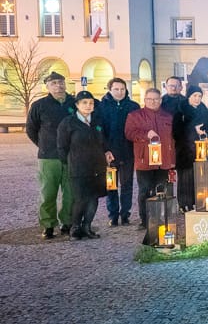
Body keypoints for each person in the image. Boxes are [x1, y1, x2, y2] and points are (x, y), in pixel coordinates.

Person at [25, 71, 76, 239]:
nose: (58, 86)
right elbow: (31, 130)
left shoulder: (74, 103)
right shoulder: (39, 105)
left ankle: (67, 223)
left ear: (65, 84)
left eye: (61, 82)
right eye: (54, 83)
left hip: (71, 156)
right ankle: (48, 225)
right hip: (48, 158)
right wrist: (44, 145)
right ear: (47, 86)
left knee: (70, 193)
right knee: (48, 193)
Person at [57, 91, 114, 240]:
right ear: (77, 105)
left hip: (98, 167)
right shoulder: (68, 123)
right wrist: (70, 162)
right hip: (79, 168)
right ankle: (75, 228)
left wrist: (107, 151)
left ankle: (87, 226)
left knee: (93, 198)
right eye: (84, 103)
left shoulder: (97, 121)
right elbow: (62, 147)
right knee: (81, 198)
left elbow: (103, 141)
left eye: (91, 103)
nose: (88, 106)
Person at [125, 88, 176, 229]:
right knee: (145, 190)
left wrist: (172, 160)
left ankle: (159, 217)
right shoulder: (135, 116)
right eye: (150, 99)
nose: (153, 102)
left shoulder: (168, 117)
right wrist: (145, 134)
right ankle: (145, 219)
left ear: (160, 100)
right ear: (145, 100)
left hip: (163, 161)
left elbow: (172, 140)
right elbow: (129, 133)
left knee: (161, 190)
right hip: (145, 160)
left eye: (156, 99)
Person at [99, 77, 139, 226]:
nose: (120, 92)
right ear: (110, 90)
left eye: (122, 89)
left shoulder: (133, 106)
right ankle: (113, 215)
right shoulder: (101, 107)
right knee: (111, 185)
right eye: (116, 89)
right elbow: (100, 130)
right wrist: (105, 149)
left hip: (128, 152)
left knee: (127, 185)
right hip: (110, 154)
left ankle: (125, 214)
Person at [172, 84, 208, 212]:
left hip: (200, 150)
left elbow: (207, 129)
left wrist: (204, 135)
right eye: (195, 95)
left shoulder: (204, 111)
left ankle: (195, 202)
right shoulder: (180, 111)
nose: (197, 98)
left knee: (198, 178)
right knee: (185, 179)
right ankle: (183, 204)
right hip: (184, 151)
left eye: (199, 96)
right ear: (189, 96)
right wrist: (194, 130)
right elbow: (176, 132)